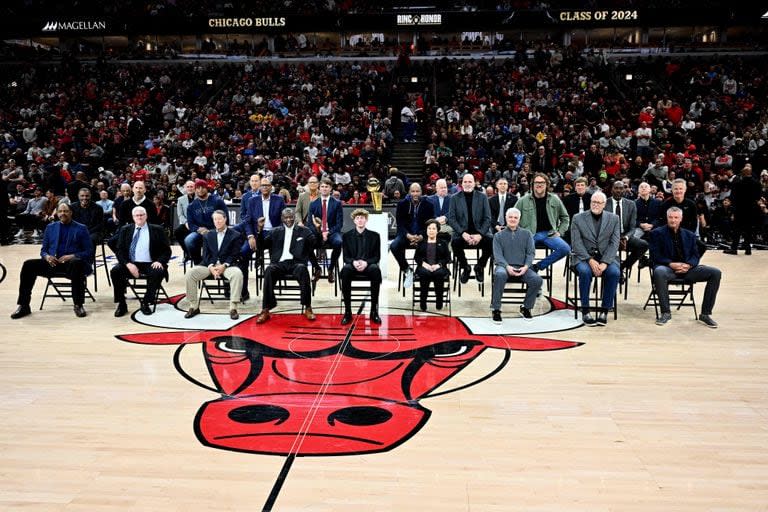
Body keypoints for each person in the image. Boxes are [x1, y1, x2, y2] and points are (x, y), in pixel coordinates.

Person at [11, 203, 93, 319]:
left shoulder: (81, 228)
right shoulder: (50, 228)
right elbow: (43, 250)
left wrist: (71, 256)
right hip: (53, 263)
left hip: (72, 265)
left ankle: (78, 305)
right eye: (60, 211)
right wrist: (47, 257)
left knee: (77, 263)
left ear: (71, 213)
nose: (62, 214)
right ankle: (24, 305)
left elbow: (89, 251)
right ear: (57, 213)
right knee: (28, 265)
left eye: (65, 211)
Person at [649, 207, 721, 328]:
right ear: (667, 218)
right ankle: (665, 312)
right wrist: (671, 264)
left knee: (715, 273)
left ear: (681, 219)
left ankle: (705, 314)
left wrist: (688, 265)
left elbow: (695, 255)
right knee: (659, 272)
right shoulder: (656, 233)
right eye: (671, 217)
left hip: (688, 269)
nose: (673, 220)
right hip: (668, 268)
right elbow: (655, 255)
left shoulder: (690, 235)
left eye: (676, 217)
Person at [255, 208, 317, 323]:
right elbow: (262, 246)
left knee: (303, 270)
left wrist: (317, 229)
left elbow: (315, 244)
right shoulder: (275, 231)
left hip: (296, 263)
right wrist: (260, 230)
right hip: (279, 263)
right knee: (269, 270)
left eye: (291, 217)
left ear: (295, 217)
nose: (288, 219)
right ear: (282, 218)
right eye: (286, 217)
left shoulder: (304, 231)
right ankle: (266, 309)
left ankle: (307, 307)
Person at [570, 191, 621, 326]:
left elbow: (614, 243)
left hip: (606, 257)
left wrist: (604, 262)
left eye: (599, 203)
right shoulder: (577, 218)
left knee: (614, 272)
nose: (595, 205)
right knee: (585, 272)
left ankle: (604, 310)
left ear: (604, 204)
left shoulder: (614, 219)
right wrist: (589, 259)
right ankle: (585, 310)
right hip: (583, 257)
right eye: (593, 202)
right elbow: (576, 243)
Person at [111, 206, 171, 317]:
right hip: (131, 263)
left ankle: (146, 302)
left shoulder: (157, 229)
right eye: (137, 215)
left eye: (142, 215)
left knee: (157, 272)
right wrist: (128, 264)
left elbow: (167, 251)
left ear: (146, 216)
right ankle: (121, 304)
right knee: (115, 271)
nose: (139, 217)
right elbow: (119, 251)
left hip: (151, 263)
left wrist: (160, 261)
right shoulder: (125, 229)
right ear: (133, 217)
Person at [184, 210, 244, 320]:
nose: (217, 221)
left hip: (227, 266)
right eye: (215, 219)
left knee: (237, 274)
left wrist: (224, 266)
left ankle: (233, 307)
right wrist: (211, 267)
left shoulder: (235, 235)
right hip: (209, 266)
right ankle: (194, 306)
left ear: (225, 219)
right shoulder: (208, 235)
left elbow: (235, 254)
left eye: (219, 219)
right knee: (190, 273)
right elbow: (206, 254)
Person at [490, 208, 543, 323]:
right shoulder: (498, 236)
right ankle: (496, 308)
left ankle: (526, 307)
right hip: (503, 266)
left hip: (522, 267)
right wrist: (507, 267)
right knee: (499, 275)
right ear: (506, 218)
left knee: (537, 280)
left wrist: (526, 266)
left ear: (519, 219)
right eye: (510, 217)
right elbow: (497, 255)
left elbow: (531, 253)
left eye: (515, 217)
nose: (513, 219)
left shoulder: (527, 234)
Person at [515, 173, 571, 273]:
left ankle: (537, 267)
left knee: (565, 249)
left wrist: (560, 232)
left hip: (549, 234)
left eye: (542, 182)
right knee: (520, 251)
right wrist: (519, 233)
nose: (539, 185)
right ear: (532, 185)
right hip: (529, 234)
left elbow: (565, 218)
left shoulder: (554, 199)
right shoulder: (522, 200)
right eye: (536, 182)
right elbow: (513, 217)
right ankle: (523, 272)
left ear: (547, 184)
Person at [447, 173, 492, 284]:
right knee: (455, 243)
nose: (467, 184)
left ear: (474, 183)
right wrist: (463, 233)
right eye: (465, 182)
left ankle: (480, 266)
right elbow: (452, 219)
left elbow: (488, 218)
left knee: (491, 241)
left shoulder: (482, 197)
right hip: (462, 233)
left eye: (470, 181)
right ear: (461, 184)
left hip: (479, 232)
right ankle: (465, 267)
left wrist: (480, 234)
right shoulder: (454, 198)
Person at [340, 208, 382, 325]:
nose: (360, 220)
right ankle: (348, 311)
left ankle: (374, 311)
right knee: (345, 270)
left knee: (375, 270)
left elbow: (376, 257)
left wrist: (366, 263)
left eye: (362, 218)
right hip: (353, 265)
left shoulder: (375, 236)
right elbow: (345, 258)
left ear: (366, 220)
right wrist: (353, 262)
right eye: (357, 218)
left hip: (367, 264)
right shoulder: (347, 236)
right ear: (354, 220)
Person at [391, 183, 434, 287]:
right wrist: (408, 235)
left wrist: (421, 236)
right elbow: (400, 224)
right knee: (394, 246)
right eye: (413, 191)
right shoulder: (402, 204)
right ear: (409, 192)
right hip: (406, 235)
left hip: (422, 236)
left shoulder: (429, 205)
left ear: (421, 192)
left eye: (417, 191)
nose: (415, 194)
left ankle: (422, 272)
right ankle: (407, 269)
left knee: (430, 247)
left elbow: (430, 224)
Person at [606, 180, 648, 273]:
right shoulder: (605, 203)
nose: (618, 190)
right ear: (611, 189)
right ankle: (610, 269)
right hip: (608, 237)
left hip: (624, 236)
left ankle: (622, 267)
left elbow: (632, 227)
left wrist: (626, 237)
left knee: (643, 245)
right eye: (616, 188)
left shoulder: (631, 204)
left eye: (621, 188)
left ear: (624, 190)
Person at [185, 179, 228, 265]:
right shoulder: (191, 206)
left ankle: (218, 262)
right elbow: (190, 224)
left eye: (202, 187)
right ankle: (198, 262)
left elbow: (225, 217)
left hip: (216, 229)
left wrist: (218, 229)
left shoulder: (217, 201)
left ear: (207, 188)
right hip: (199, 231)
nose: (200, 189)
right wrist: (198, 229)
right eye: (198, 188)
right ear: (195, 190)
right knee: (188, 240)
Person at [308, 178, 344, 283]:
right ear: (319, 188)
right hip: (317, 233)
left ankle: (331, 269)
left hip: (332, 232)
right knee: (307, 243)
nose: (324, 189)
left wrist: (328, 232)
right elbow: (310, 224)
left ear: (330, 189)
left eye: (326, 187)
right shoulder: (313, 204)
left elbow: (339, 224)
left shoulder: (337, 203)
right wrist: (319, 231)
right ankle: (317, 268)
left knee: (338, 243)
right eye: (322, 186)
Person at [414, 219, 451, 311]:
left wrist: (438, 265)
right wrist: (424, 264)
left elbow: (448, 258)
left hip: (439, 267)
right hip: (424, 267)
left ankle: (439, 300)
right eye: (429, 228)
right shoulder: (421, 243)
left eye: (433, 229)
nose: (431, 230)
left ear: (437, 231)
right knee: (424, 273)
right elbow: (416, 257)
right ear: (426, 230)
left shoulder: (443, 243)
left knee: (439, 274)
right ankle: (423, 301)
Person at [725, 164, 761, 255]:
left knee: (737, 229)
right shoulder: (757, 183)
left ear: (743, 173)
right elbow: (758, 197)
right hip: (751, 210)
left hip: (739, 209)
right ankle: (748, 249)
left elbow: (733, 197)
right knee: (749, 229)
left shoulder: (738, 183)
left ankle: (734, 249)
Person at [174, 180, 196, 254]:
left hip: (199, 223)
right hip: (187, 223)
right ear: (185, 188)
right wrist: (186, 222)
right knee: (177, 232)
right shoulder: (180, 199)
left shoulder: (200, 198)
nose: (190, 188)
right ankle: (187, 252)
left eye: (191, 187)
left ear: (195, 188)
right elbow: (180, 215)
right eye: (188, 187)